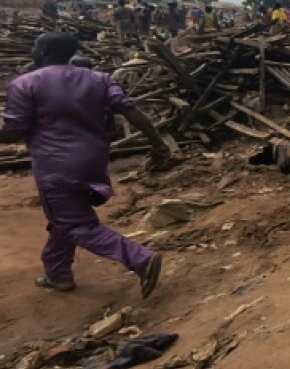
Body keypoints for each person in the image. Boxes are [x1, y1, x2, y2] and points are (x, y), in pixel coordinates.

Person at [0, 33, 169, 297]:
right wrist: (157, 142)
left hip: (55, 164)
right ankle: (58, 274)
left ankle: (141, 260)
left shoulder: (26, 84)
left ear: (43, 50)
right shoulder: (99, 79)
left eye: (35, 46)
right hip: (93, 160)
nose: (33, 50)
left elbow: (13, 130)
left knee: (76, 224)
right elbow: (129, 110)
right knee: (63, 218)